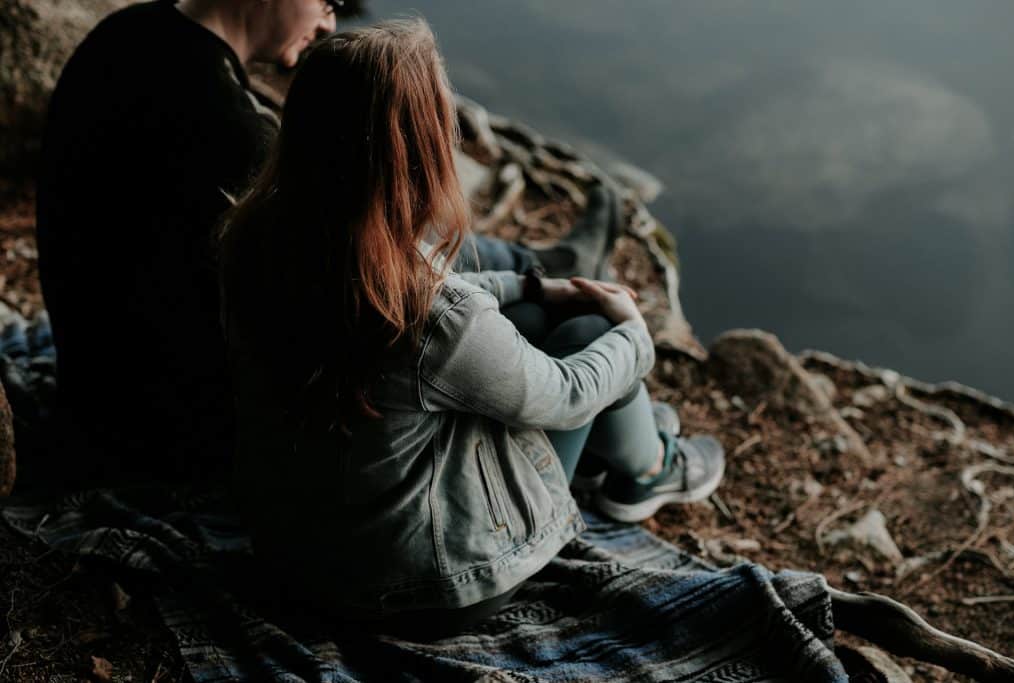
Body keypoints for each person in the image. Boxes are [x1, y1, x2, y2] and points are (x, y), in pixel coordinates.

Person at [219, 19, 725, 639]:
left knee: (540, 317)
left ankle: (639, 454)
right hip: (429, 590)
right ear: (421, 150)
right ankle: (648, 469)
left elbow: (436, 315)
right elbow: (564, 394)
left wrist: (531, 287)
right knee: (588, 332)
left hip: (296, 558)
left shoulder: (258, 243)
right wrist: (632, 333)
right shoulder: (433, 313)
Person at [34, 0, 606, 486]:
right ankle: (642, 443)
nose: (331, 23)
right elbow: (368, 288)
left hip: (93, 385)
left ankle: (539, 265)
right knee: (533, 319)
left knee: (452, 270)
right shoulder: (232, 136)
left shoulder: (127, 35)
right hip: (184, 437)